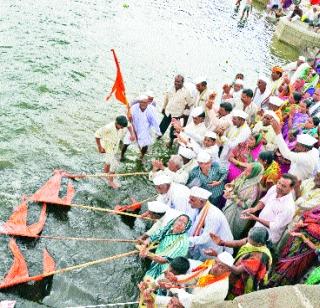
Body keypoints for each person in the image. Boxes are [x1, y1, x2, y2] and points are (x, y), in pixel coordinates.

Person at [150, 252, 234, 307]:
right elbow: (193, 277)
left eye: (221, 267)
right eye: (216, 262)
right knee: (154, 299)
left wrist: (174, 288)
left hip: (193, 304)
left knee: (165, 301)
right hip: (189, 298)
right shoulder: (209, 265)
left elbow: (195, 302)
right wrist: (175, 279)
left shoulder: (219, 288)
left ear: (228, 271)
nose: (215, 267)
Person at [210, 227, 272, 299]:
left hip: (246, 278)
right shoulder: (252, 241)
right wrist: (221, 242)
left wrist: (219, 257)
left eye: (249, 240)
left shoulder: (258, 257)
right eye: (248, 238)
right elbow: (237, 243)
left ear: (259, 244)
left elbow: (237, 271)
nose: (247, 241)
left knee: (234, 296)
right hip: (237, 270)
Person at [268, 205, 320, 287]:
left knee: (290, 269)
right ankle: (270, 281)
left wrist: (303, 237)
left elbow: (317, 248)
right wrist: (301, 221)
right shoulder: (318, 208)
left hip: (307, 250)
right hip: (294, 242)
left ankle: (277, 287)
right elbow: (305, 214)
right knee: (282, 262)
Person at [241, 174, 296, 244]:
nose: (279, 186)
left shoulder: (289, 207)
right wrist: (254, 209)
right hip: (257, 227)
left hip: (267, 238)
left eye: (283, 186)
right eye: (279, 183)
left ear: (291, 189)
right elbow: (264, 200)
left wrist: (256, 218)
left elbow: (274, 226)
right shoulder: (274, 188)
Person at [138, 215, 192, 280]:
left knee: (147, 282)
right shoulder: (168, 228)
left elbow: (163, 260)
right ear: (175, 221)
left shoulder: (182, 242)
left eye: (184, 223)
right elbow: (155, 236)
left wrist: (146, 253)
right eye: (179, 220)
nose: (180, 224)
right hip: (157, 259)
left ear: (186, 228)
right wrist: (145, 243)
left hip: (167, 270)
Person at [188, 186, 234, 261]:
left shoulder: (213, 215)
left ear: (201, 201)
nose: (189, 201)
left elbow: (206, 238)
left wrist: (186, 241)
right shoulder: (198, 208)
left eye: (192, 200)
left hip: (215, 246)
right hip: (205, 244)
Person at [223, 163, 264, 240]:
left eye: (248, 171)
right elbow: (233, 184)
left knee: (230, 233)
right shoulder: (243, 176)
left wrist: (233, 197)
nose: (245, 172)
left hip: (238, 214)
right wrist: (228, 190)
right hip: (230, 206)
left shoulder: (255, 188)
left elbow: (246, 206)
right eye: (246, 169)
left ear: (254, 174)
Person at [95, 115, 134, 189]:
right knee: (114, 164)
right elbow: (97, 135)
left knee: (108, 162)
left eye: (123, 127)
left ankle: (105, 174)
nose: (122, 128)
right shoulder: (108, 127)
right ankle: (110, 180)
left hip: (115, 145)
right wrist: (100, 147)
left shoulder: (124, 124)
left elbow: (129, 126)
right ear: (116, 123)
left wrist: (132, 134)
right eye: (121, 126)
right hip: (108, 145)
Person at [122, 95, 162, 160]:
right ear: (139, 102)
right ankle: (122, 155)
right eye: (142, 102)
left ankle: (142, 156)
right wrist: (128, 118)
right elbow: (128, 116)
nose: (143, 104)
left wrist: (158, 131)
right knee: (127, 142)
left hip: (144, 129)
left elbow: (155, 121)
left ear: (148, 103)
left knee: (145, 144)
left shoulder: (151, 109)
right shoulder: (134, 107)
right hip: (133, 127)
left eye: (145, 102)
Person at [159, 75, 194, 147]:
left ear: (182, 82)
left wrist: (185, 110)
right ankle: (158, 137)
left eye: (178, 82)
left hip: (177, 114)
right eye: (175, 81)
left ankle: (171, 142)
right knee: (162, 127)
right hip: (168, 112)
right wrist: (163, 107)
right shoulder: (170, 88)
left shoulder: (186, 91)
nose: (176, 83)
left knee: (173, 131)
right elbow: (166, 99)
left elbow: (190, 102)